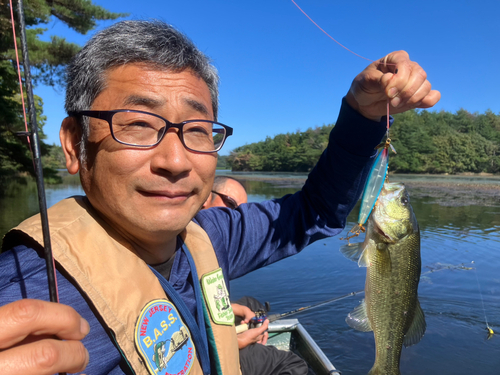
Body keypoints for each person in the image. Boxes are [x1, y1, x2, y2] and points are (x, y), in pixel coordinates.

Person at [0, 19, 440, 375]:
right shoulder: (28, 286)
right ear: (75, 144)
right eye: (136, 123)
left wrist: (363, 117)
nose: (175, 159)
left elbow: (315, 212)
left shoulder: (209, 235)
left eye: (196, 131)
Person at [204, 177, 308, 374]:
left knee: (252, 306)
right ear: (206, 197)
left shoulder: (197, 237)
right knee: (293, 365)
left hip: (212, 329)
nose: (236, 218)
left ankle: (255, 342)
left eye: (242, 212)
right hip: (212, 354)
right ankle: (251, 355)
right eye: (232, 205)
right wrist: (236, 342)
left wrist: (236, 308)